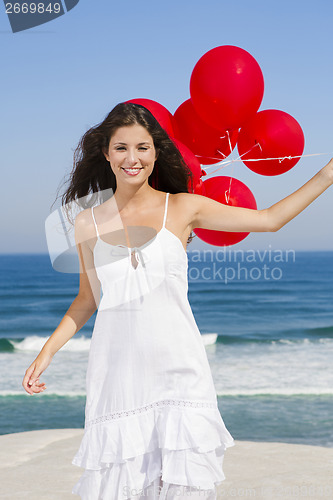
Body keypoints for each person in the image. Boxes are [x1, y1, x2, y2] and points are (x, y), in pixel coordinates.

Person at [22, 102, 333, 499]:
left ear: (156, 153)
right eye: (121, 148)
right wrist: (45, 353)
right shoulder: (87, 222)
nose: (132, 158)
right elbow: (87, 299)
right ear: (106, 153)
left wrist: (328, 173)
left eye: (142, 147)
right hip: (118, 379)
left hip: (180, 372)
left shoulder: (183, 207)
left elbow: (270, 219)